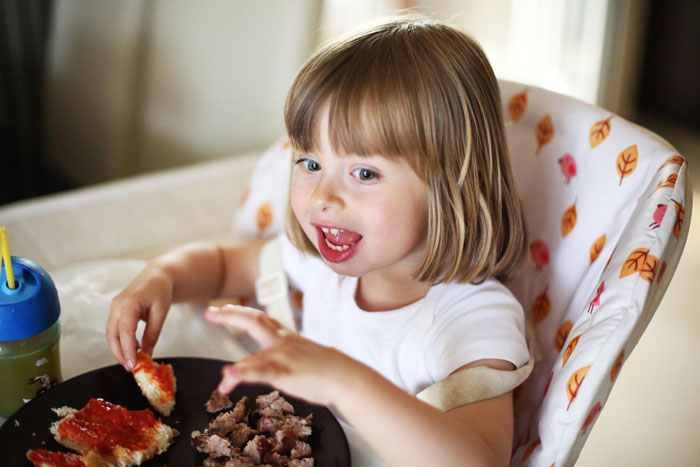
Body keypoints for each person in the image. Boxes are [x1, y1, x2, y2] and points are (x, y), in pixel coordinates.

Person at [107, 17, 531, 466]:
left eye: (364, 173)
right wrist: (162, 278)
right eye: (310, 163)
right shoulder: (326, 263)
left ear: (453, 186)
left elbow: (479, 460)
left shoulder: (474, 318)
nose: (323, 198)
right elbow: (223, 264)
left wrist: (341, 379)